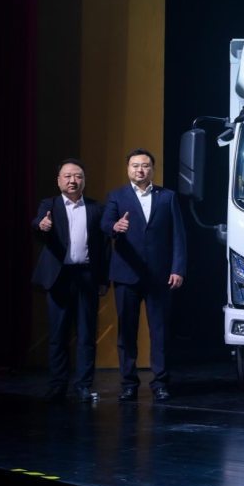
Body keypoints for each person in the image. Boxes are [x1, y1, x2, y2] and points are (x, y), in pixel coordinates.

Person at [101, 148, 187, 402]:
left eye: (145, 165)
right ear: (128, 169)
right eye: (135, 165)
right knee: (127, 331)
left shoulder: (167, 196)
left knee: (160, 332)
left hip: (159, 276)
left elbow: (179, 235)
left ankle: (160, 382)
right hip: (126, 274)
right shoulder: (117, 196)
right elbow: (105, 224)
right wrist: (115, 226)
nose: (140, 170)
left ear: (152, 169)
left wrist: (178, 268)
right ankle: (129, 383)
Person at [31, 159, 109, 403]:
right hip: (59, 278)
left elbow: (104, 247)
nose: (73, 180)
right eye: (67, 176)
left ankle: (83, 385)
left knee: (86, 335)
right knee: (58, 335)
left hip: (87, 276)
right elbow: (37, 225)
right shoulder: (50, 205)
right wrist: (42, 225)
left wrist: (103, 280)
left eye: (78, 176)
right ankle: (58, 385)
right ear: (58, 181)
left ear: (84, 180)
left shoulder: (96, 208)